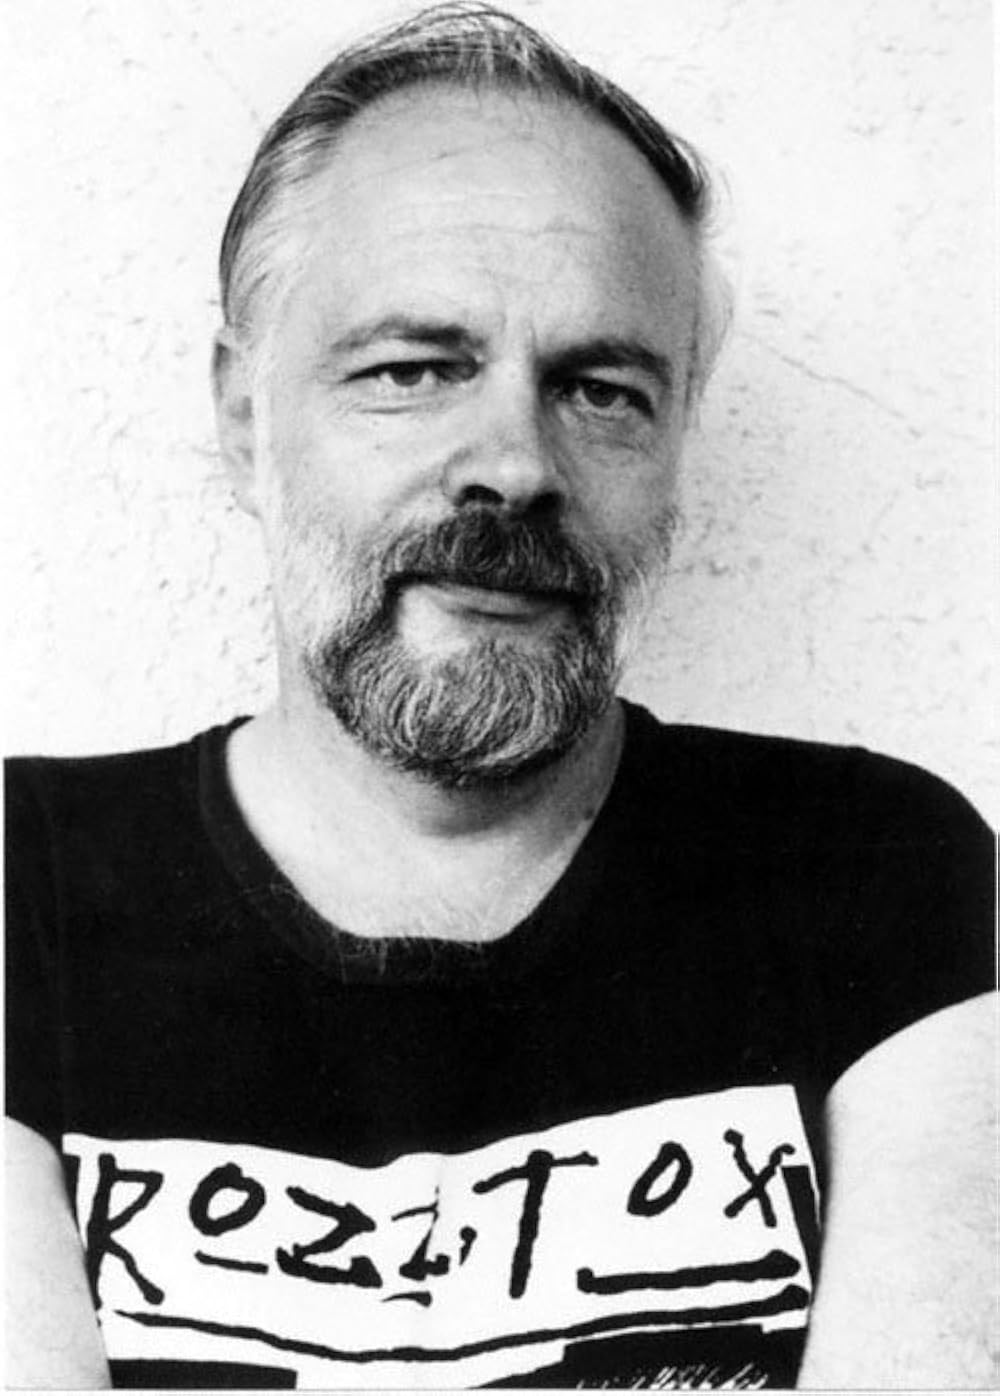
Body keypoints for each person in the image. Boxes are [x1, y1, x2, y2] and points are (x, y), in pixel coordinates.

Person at [5, 3, 994, 1389]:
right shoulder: (25, 888)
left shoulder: (878, 874)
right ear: (244, 418)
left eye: (603, 391)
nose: (516, 464)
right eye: (414, 369)